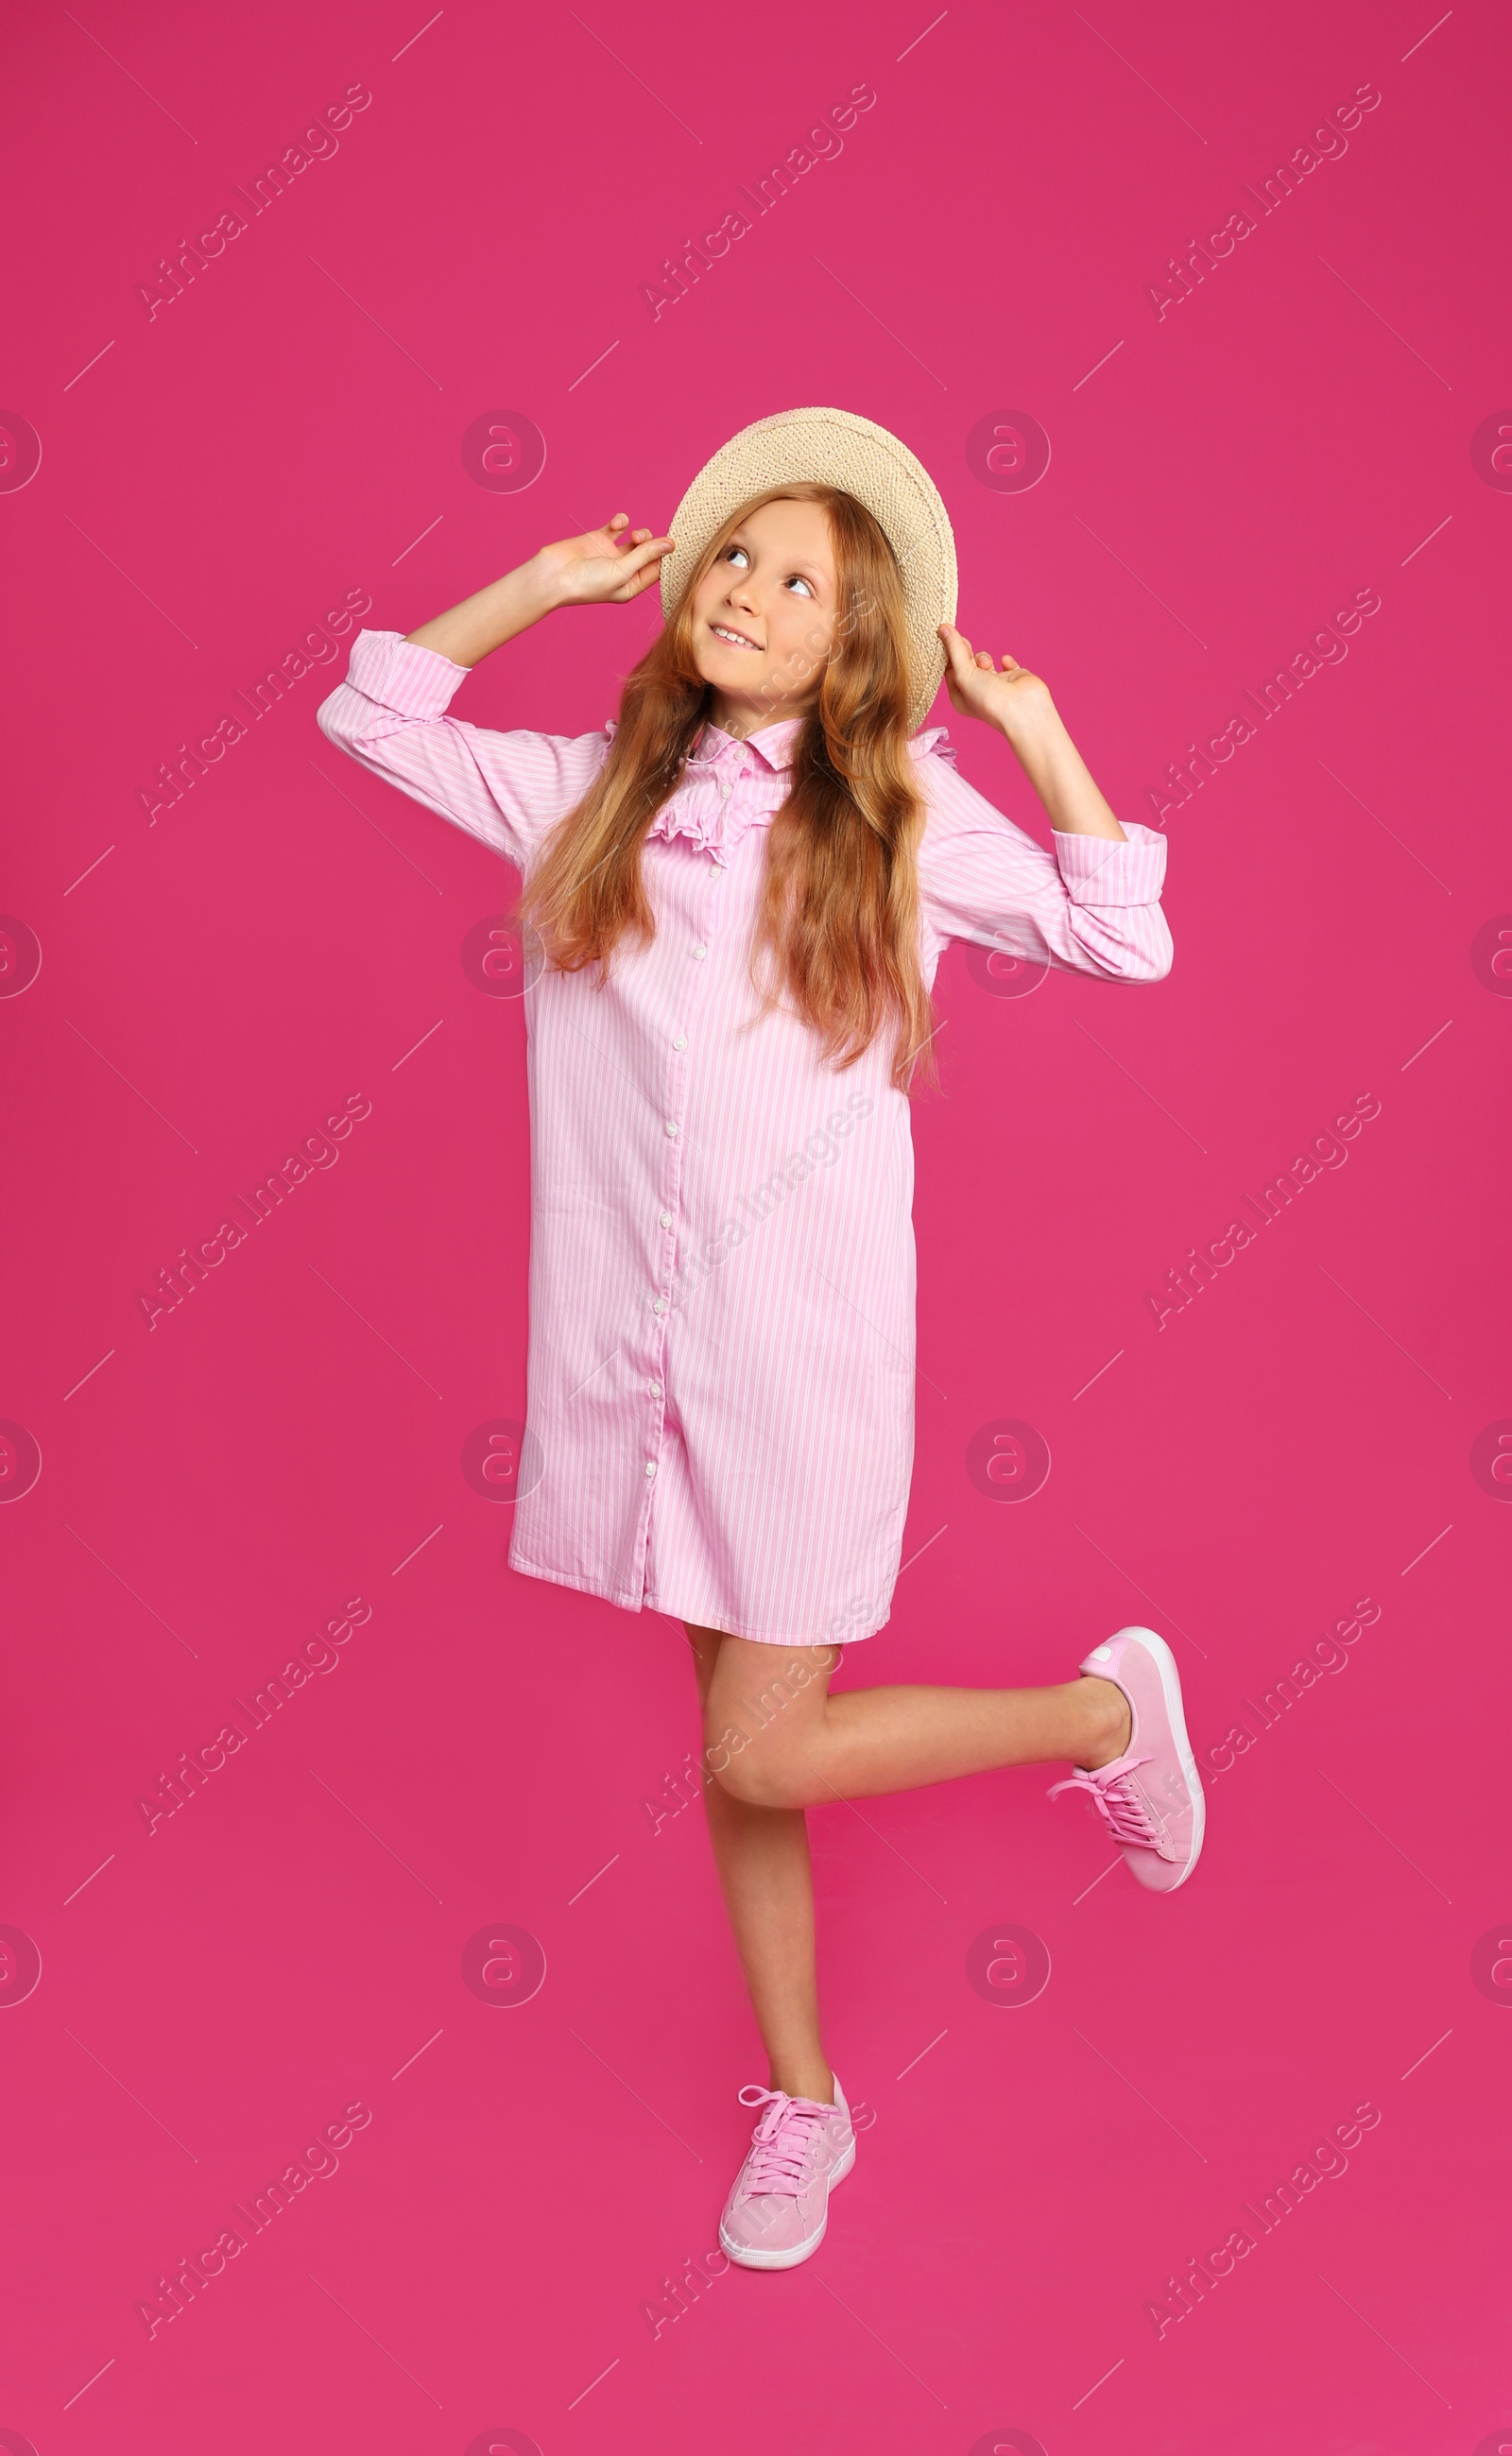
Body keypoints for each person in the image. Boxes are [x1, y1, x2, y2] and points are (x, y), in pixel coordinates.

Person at [316, 405, 1204, 2275]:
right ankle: (805, 2099)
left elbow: (1120, 940)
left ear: (850, 639)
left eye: (797, 579)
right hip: (632, 1357)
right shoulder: (594, 790)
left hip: (795, 1353)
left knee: (768, 1750)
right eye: (732, 553)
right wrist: (542, 585)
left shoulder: (895, 815)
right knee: (737, 1751)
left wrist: (1035, 733)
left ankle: (1104, 1711)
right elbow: (374, 714)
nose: (744, 587)